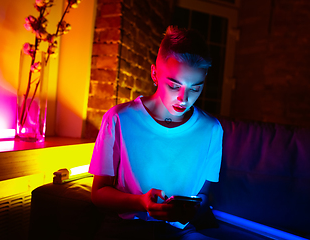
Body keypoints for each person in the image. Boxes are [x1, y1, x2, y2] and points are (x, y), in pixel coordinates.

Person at [88, 25, 223, 240]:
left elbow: (204, 194)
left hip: (179, 231)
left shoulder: (211, 129)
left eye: (195, 88)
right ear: (154, 74)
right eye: (173, 85)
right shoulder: (118, 119)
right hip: (125, 230)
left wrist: (192, 208)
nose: (183, 98)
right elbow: (98, 193)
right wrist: (141, 202)